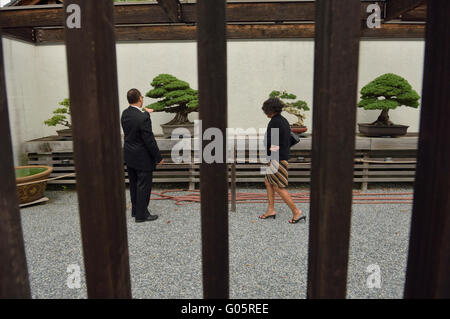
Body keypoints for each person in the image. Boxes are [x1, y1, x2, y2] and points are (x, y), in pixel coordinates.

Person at [259, 97, 306, 224]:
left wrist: (272, 158)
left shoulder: (275, 122)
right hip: (279, 156)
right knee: (268, 181)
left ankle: (296, 212)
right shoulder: (283, 120)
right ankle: (271, 210)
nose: (265, 113)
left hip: (277, 158)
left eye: (266, 110)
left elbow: (275, 142)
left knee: (278, 186)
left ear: (270, 110)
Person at [121, 88, 164, 223]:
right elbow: (148, 140)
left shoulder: (125, 113)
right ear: (140, 98)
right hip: (142, 157)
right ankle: (142, 215)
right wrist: (158, 157)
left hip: (129, 154)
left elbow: (136, 124)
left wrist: (146, 113)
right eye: (142, 97)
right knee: (143, 186)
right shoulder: (143, 117)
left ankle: (135, 211)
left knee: (134, 184)